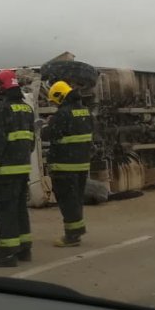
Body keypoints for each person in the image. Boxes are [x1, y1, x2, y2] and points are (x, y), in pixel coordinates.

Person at [0, 69, 36, 268]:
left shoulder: (2, 109)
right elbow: (31, 141)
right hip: (23, 168)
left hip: (5, 170)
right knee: (20, 209)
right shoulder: (27, 109)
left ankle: (6, 254)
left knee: (5, 212)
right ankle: (24, 249)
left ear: (1, 88)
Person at [44, 81, 94, 248]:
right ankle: (77, 230)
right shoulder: (85, 111)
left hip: (64, 165)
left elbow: (50, 134)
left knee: (67, 201)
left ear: (60, 96)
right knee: (76, 199)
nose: (54, 104)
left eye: (54, 101)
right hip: (81, 164)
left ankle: (72, 236)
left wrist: (44, 126)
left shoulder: (62, 114)